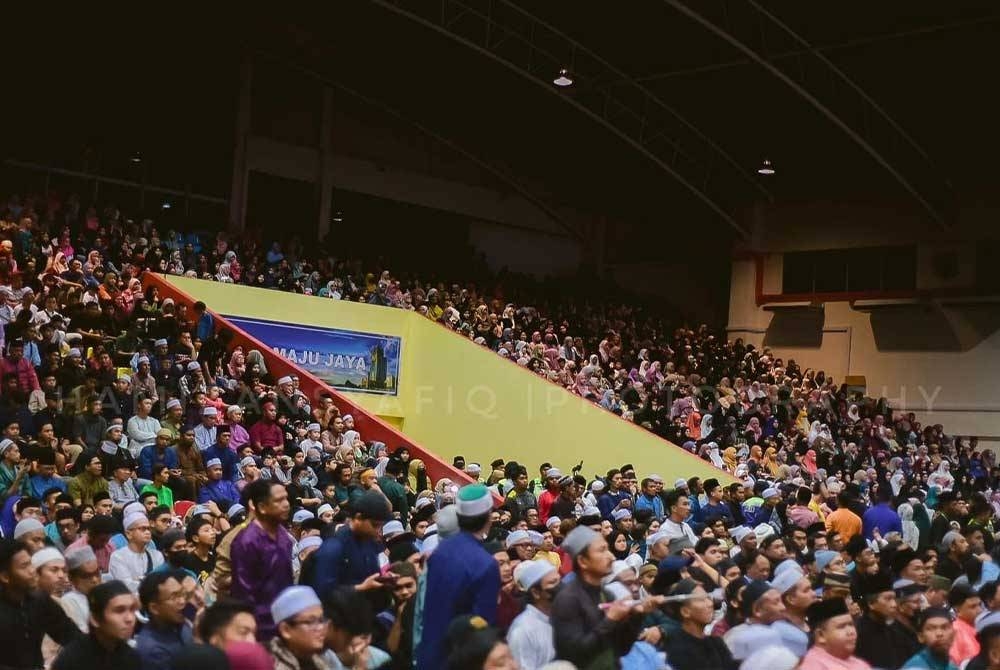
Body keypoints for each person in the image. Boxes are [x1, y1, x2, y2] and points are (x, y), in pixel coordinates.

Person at [417, 483, 502, 670]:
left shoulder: (439, 552)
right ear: (488, 517)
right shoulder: (486, 564)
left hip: (429, 653)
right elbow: (481, 629)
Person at [550, 525, 650, 669]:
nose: (611, 556)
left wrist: (637, 615)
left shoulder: (605, 594)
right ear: (583, 561)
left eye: (608, 549)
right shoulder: (567, 600)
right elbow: (573, 655)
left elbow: (621, 648)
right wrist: (610, 620)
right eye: (602, 550)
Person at [0, 538, 81, 670]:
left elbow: (71, 636)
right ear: (5, 577)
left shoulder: (39, 600)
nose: (32, 571)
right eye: (24, 566)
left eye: (30, 564)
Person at [229, 479, 293, 640]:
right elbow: (243, 594)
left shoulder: (283, 534)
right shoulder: (246, 541)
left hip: (285, 618)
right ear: (262, 507)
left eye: (286, 498)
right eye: (279, 500)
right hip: (261, 627)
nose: (286, 504)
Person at [308, 489, 392, 599]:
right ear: (358, 518)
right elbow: (323, 592)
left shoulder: (370, 542)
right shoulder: (334, 547)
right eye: (374, 525)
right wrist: (360, 588)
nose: (378, 531)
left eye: (380, 526)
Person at [51, 580, 141, 670]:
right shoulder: (71, 660)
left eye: (132, 610)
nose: (130, 618)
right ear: (95, 619)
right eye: (119, 611)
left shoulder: (131, 657)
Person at [662, 578, 737, 670]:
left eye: (708, 598)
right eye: (702, 600)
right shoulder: (676, 650)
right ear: (685, 611)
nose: (710, 604)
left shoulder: (717, 643)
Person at [854, 571, 918, 668]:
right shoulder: (857, 633)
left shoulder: (896, 630)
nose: (894, 604)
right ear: (871, 604)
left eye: (894, 599)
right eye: (888, 599)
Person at [506, 560, 560, 670]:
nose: (560, 587)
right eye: (552, 583)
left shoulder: (560, 616)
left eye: (559, 581)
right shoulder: (523, 630)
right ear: (536, 592)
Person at [135, 570, 194, 670]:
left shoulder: (180, 623)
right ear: (154, 608)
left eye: (182, 594)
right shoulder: (152, 650)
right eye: (174, 597)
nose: (182, 601)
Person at [268, 585, 329, 670]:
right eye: (310, 622)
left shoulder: (322, 659)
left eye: (321, 620)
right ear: (286, 630)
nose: (321, 628)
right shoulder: (271, 665)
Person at [799, 599, 872, 670]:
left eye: (851, 624)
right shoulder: (812, 665)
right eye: (841, 627)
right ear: (821, 635)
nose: (851, 632)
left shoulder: (859, 663)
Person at [108, 511, 164, 592]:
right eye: (142, 529)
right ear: (128, 534)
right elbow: (127, 586)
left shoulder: (157, 555)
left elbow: (161, 583)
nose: (147, 532)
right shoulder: (118, 556)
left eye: (148, 529)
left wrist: (139, 580)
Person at [62, 546, 102, 631]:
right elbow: (82, 633)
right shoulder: (69, 601)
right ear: (72, 579)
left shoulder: (107, 591)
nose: (95, 580)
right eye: (87, 576)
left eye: (97, 573)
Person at [950, 583, 983, 666]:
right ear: (957, 610)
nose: (979, 610)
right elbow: (954, 663)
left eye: (980, 605)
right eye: (973, 606)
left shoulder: (982, 625)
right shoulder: (955, 631)